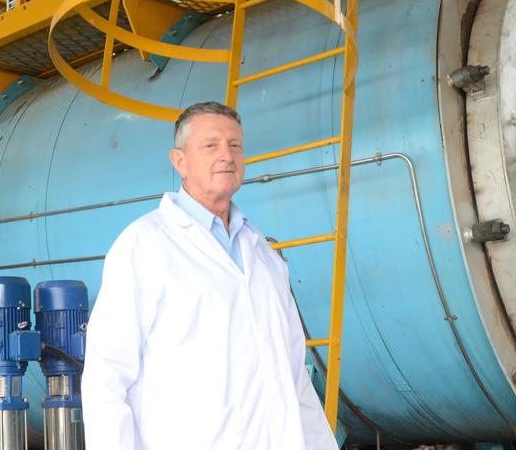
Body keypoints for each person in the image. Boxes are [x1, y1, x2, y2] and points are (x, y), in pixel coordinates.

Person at [81, 101, 339, 449]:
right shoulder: (144, 245)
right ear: (180, 162)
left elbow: (293, 377)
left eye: (235, 145)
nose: (227, 155)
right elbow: (107, 377)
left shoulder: (263, 254)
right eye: (210, 145)